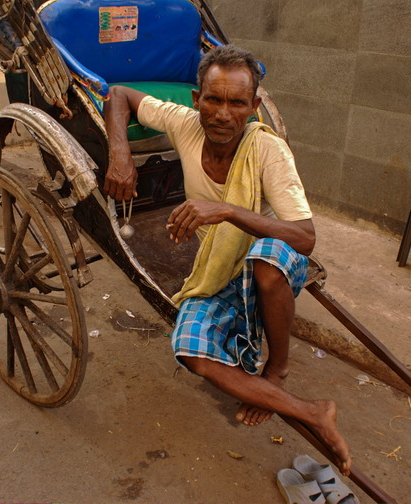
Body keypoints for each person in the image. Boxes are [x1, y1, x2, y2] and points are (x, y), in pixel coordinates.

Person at [104, 45, 351, 475]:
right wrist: (120, 154)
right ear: (196, 99)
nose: (222, 114)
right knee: (189, 348)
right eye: (213, 100)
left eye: (237, 102)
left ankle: (275, 370)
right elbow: (119, 94)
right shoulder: (185, 123)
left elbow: (305, 238)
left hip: (269, 260)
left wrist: (229, 211)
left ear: (253, 107)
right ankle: (311, 411)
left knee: (267, 259)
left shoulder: (267, 150)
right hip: (218, 266)